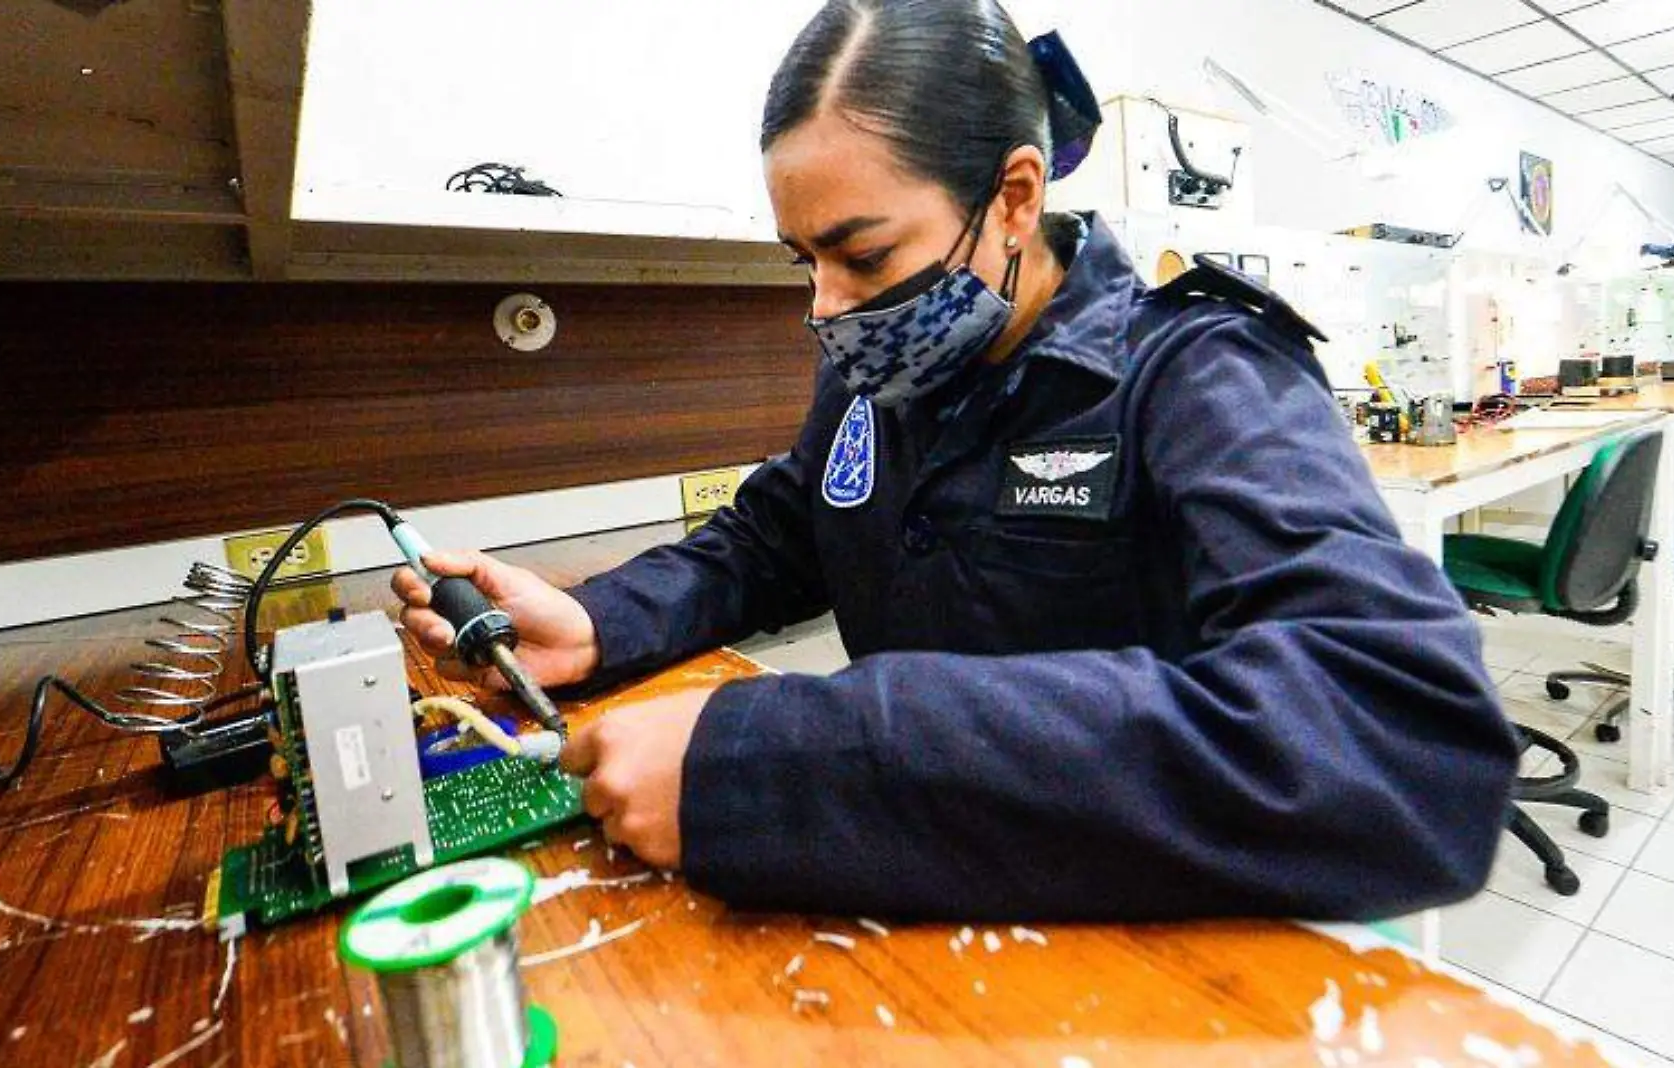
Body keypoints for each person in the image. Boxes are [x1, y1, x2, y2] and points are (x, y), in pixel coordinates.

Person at [394, 0, 1517, 922]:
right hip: (920, 905)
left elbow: (1400, 738)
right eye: (804, 261)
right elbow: (785, 530)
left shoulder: (1201, 373)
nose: (824, 309)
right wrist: (602, 618)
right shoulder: (884, 356)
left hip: (1151, 932)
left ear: (1015, 197)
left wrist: (784, 758)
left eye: (861, 253)